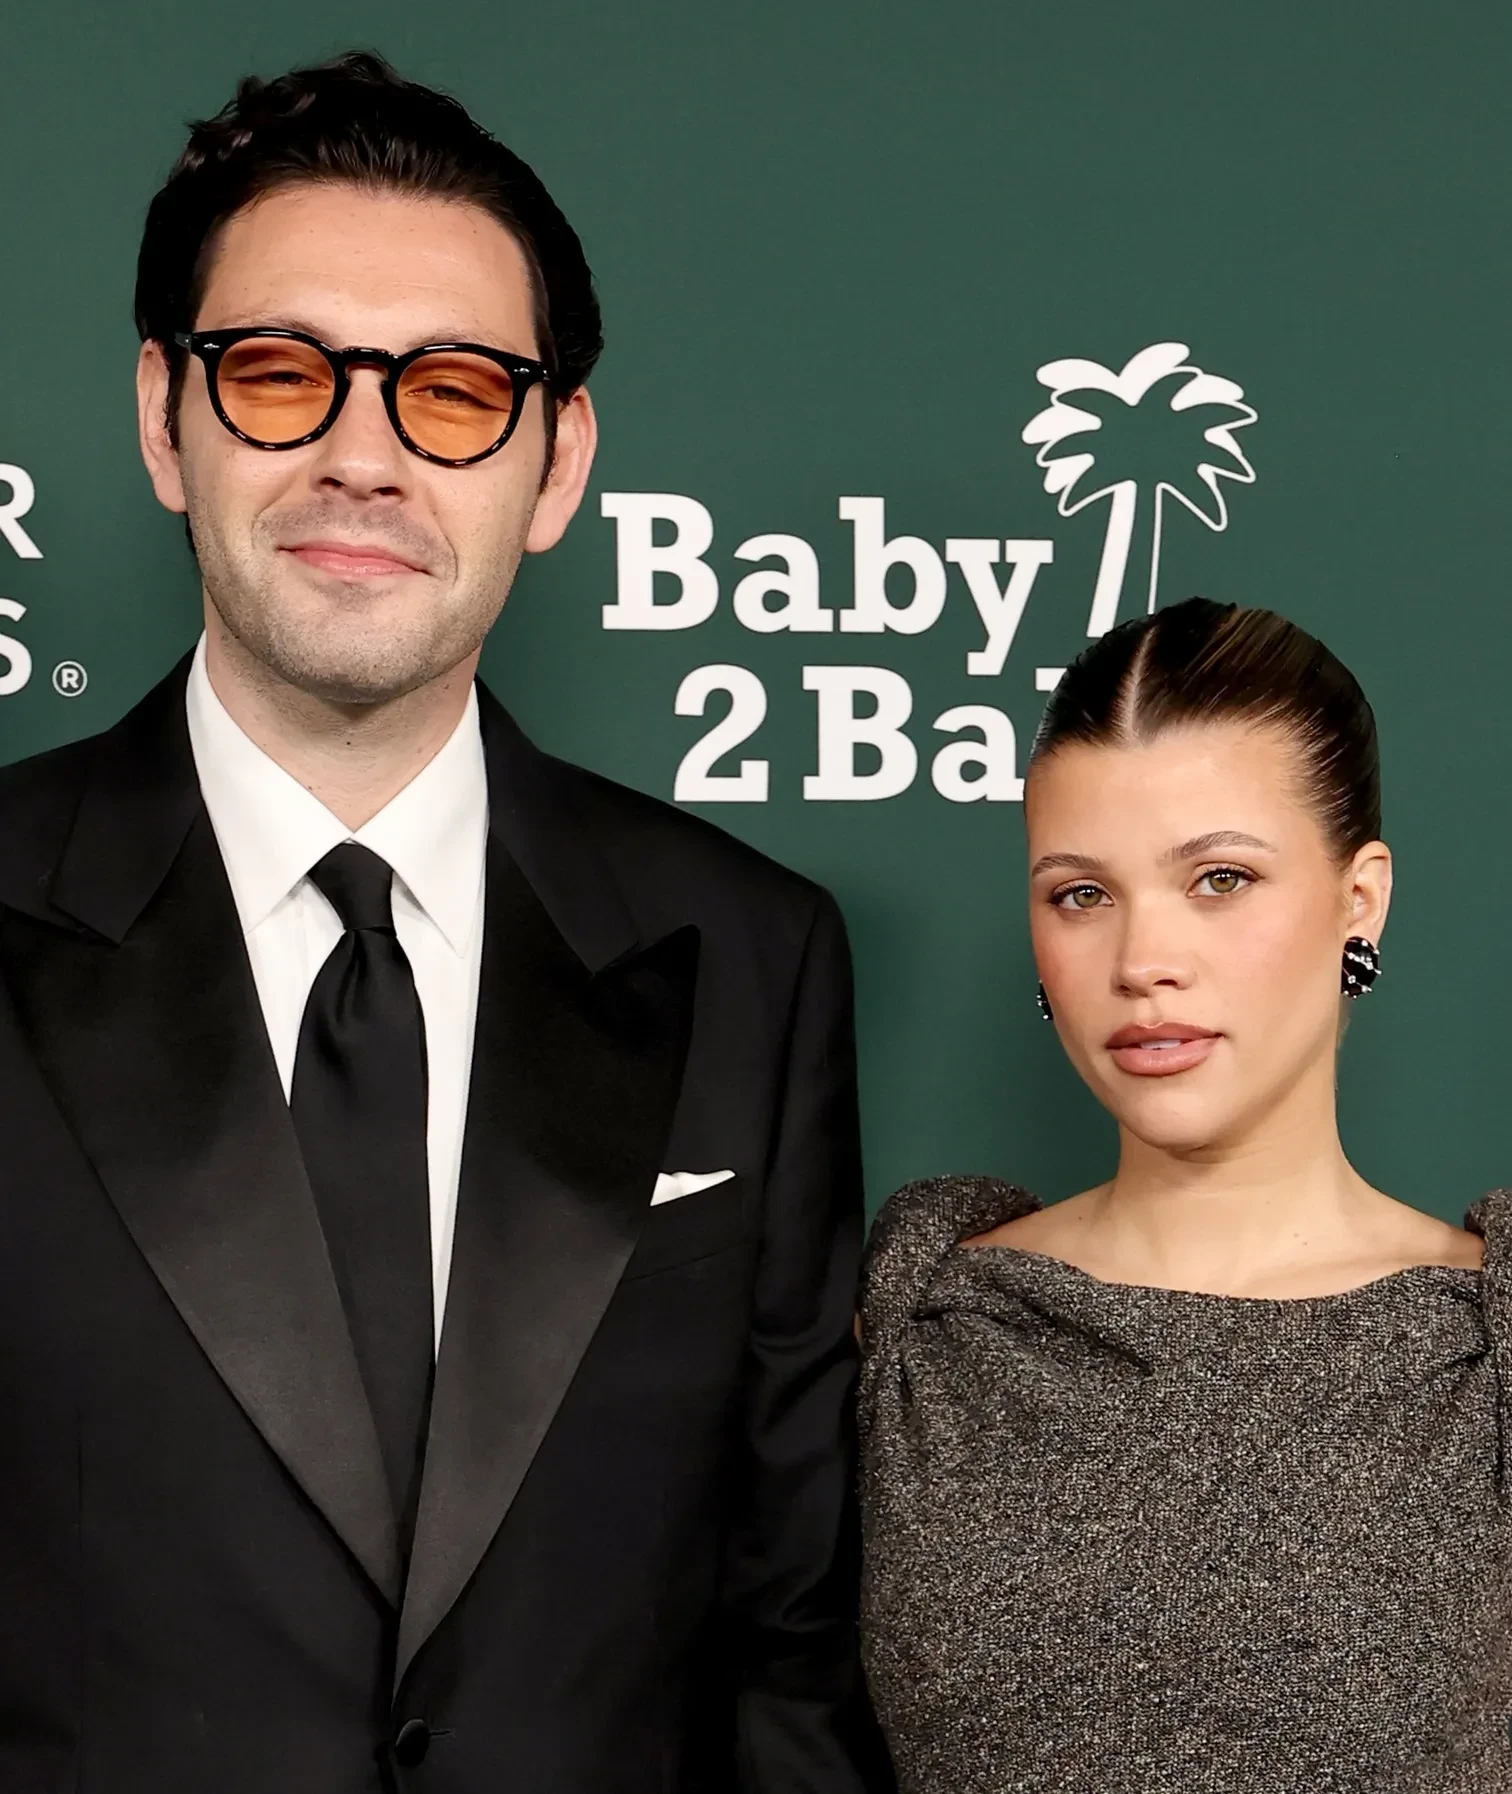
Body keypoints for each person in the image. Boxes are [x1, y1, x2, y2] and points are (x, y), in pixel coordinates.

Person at [0, 53, 886, 1794]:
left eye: (455, 392)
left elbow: (786, 1656)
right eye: (280, 373)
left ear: (557, 465)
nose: (364, 456)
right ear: (165, 418)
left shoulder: (752, 956)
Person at [857, 597, 1511, 1793]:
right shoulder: (925, 1320)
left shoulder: (1485, 1344)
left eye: (1220, 878)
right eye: (1081, 894)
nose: (1143, 961)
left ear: (1359, 899)